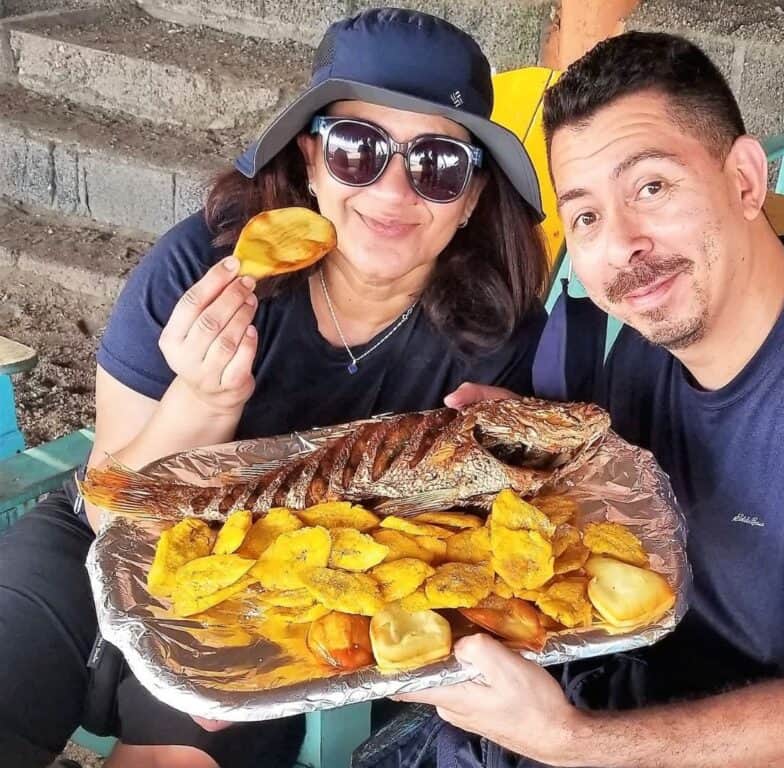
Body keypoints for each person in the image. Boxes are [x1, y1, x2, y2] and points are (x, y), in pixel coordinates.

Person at [0, 8, 550, 768]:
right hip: (96, 554)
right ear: (311, 162)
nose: (392, 192)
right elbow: (104, 507)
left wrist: (515, 463)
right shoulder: (203, 266)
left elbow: (472, 543)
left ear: (473, 199)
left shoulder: (500, 335)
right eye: (359, 150)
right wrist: (204, 402)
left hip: (273, 608)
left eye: (437, 165)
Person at [402, 31, 784, 768]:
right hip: (651, 700)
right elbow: (619, 504)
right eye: (588, 217)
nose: (623, 244)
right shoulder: (648, 342)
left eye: (652, 187)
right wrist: (539, 441)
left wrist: (571, 742)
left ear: (745, 180)